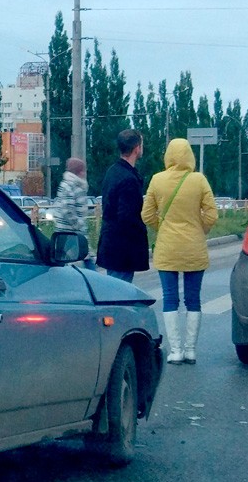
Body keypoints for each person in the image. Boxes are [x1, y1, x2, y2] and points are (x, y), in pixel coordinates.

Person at [142, 138, 219, 364]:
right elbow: (212, 215)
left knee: (169, 298)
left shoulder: (157, 180)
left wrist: (163, 227)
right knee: (193, 299)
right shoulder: (199, 180)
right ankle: (190, 350)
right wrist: (199, 229)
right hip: (194, 247)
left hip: (167, 248)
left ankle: (175, 351)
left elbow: (147, 215)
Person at [96, 129, 148, 282]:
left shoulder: (112, 171)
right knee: (120, 291)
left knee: (114, 287)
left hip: (111, 244)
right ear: (137, 148)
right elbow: (127, 217)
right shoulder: (129, 179)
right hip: (123, 249)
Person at [50, 157, 89, 245]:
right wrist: (77, 225)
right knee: (72, 253)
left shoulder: (72, 185)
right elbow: (67, 210)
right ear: (79, 171)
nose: (85, 173)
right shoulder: (69, 186)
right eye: (83, 170)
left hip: (71, 233)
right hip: (69, 234)